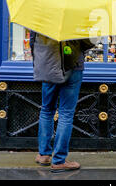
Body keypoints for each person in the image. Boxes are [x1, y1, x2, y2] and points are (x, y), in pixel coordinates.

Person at [30, 31, 94, 173]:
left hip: (49, 65)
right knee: (66, 113)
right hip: (73, 66)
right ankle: (59, 160)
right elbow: (87, 43)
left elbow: (33, 41)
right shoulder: (76, 14)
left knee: (47, 109)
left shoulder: (42, 15)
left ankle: (44, 155)